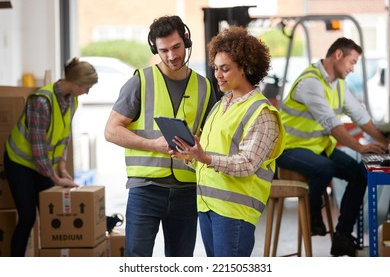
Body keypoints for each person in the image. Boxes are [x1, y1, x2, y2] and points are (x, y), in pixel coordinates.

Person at [104, 15, 216, 257]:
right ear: (155, 49)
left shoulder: (205, 87)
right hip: (146, 189)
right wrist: (153, 144)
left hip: (187, 190)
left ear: (186, 41)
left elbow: (212, 137)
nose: (171, 56)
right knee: (137, 260)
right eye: (163, 50)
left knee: (180, 261)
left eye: (176, 47)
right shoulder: (140, 82)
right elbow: (111, 131)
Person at [170, 25, 286, 257]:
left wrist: (205, 157)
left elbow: (247, 164)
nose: (218, 75)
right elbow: (211, 154)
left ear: (245, 68)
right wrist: (191, 156)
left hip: (235, 212)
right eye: (216, 68)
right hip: (207, 205)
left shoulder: (261, 113)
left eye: (225, 69)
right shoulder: (220, 105)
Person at [276, 37, 390, 257]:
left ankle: (342, 237)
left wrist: (384, 143)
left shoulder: (338, 85)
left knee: (360, 174)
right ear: (338, 55)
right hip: (289, 148)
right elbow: (332, 124)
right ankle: (313, 212)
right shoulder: (310, 82)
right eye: (352, 62)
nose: (352, 68)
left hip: (317, 148)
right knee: (325, 168)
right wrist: (361, 147)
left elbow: (359, 115)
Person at [3, 57, 98, 256]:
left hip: (42, 163)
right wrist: (55, 177)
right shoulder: (41, 101)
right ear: (76, 83)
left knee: (50, 214)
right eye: (87, 87)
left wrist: (62, 165)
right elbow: (37, 147)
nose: (87, 92)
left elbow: (64, 134)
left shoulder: (72, 100)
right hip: (20, 162)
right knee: (28, 216)